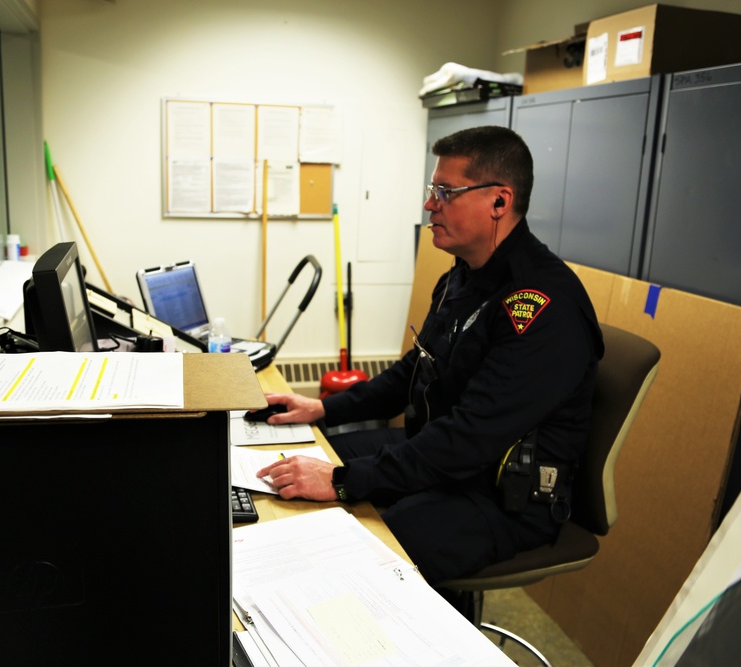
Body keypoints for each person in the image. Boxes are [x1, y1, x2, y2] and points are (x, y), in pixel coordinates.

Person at [256, 125, 604, 600]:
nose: (429, 205)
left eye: (445, 192)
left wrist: (342, 483)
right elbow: (413, 373)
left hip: (501, 497)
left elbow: (470, 437)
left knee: (350, 561)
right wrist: (322, 409)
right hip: (445, 459)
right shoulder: (463, 278)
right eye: (431, 190)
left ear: (499, 202)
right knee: (302, 464)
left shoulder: (543, 306)